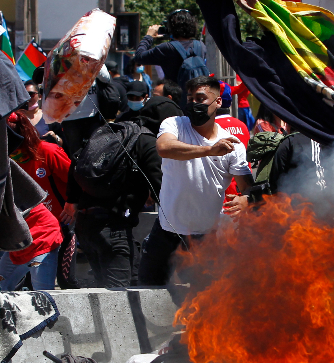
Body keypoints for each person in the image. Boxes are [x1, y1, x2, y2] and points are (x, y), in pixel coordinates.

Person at [138, 76, 252, 286]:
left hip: (205, 238)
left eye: (200, 98)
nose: (194, 104)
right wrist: (209, 150)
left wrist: (245, 199)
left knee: (204, 299)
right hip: (165, 231)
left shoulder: (233, 145)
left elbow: (248, 188)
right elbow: (164, 148)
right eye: (190, 99)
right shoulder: (174, 124)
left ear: (217, 102)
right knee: (148, 288)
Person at [66, 87, 162, 288]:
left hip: (86, 225)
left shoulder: (112, 132)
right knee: (117, 300)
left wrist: (71, 200)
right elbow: (160, 187)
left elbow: (77, 161)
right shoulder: (148, 141)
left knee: (106, 290)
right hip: (114, 228)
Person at [0, 111, 74, 291]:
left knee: (51, 289)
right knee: (0, 288)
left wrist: (73, 204)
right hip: (20, 235)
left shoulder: (48, 151)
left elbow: (76, 181)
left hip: (52, 230)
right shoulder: (3, 160)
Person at [134, 11, 208, 106]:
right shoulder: (200, 46)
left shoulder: (167, 48)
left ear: (171, 27)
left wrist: (149, 36)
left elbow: (139, 56)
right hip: (198, 101)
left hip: (176, 102)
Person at [118, 80, 183, 136]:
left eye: (155, 96)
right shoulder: (145, 120)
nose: (152, 100)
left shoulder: (182, 125)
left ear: (168, 99)